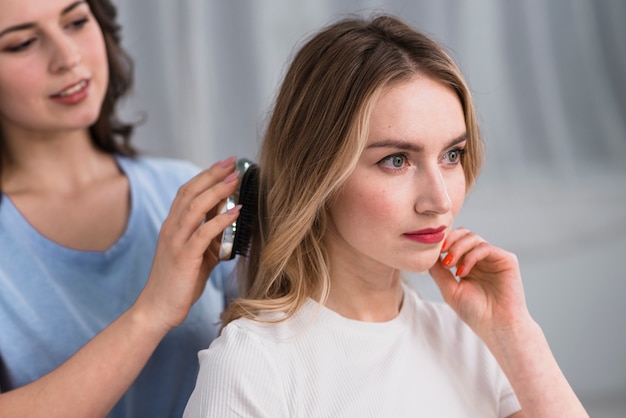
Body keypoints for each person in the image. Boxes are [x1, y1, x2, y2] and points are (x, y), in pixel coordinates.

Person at [184, 14, 589, 417]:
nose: (440, 199)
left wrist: (516, 333)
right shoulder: (253, 366)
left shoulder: (478, 343)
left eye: (452, 155)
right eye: (397, 160)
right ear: (318, 177)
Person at [0, 0, 240, 417]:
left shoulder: (182, 192)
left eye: (76, 22)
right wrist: (152, 312)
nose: (68, 57)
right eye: (22, 44)